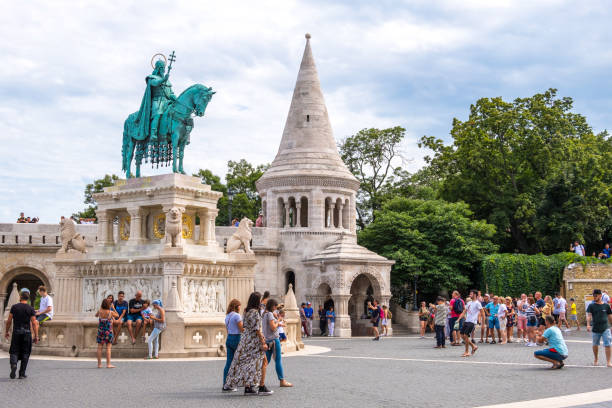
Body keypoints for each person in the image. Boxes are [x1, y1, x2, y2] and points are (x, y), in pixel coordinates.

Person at [225, 291, 272, 396]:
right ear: (256, 301)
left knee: (248, 364)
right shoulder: (254, 312)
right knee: (262, 361)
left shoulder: (246, 311)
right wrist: (263, 341)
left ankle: (249, 387)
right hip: (253, 341)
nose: (261, 302)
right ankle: (261, 386)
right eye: (259, 300)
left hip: (246, 340)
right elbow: (257, 329)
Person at [4, 290, 38, 379]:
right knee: (26, 353)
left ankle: (14, 364)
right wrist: (36, 335)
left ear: (20, 298)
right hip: (27, 333)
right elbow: (34, 323)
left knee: (14, 350)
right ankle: (22, 373)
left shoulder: (14, 307)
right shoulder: (30, 308)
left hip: (16, 332)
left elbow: (9, 321)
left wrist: (7, 331)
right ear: (28, 299)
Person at [262, 299, 292, 388]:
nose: (275, 308)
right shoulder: (270, 314)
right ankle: (282, 380)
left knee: (265, 362)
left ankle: (257, 379)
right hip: (274, 340)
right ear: (273, 306)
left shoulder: (264, 314)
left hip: (267, 340)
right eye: (275, 306)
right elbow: (272, 327)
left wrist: (277, 323)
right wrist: (278, 321)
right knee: (278, 360)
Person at [586, 289, 612, 367]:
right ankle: (596, 359)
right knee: (595, 345)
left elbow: (610, 316)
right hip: (596, 328)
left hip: (605, 328)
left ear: (600, 295)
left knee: (608, 344)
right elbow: (589, 315)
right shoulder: (591, 305)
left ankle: (608, 362)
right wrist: (588, 324)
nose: (594, 297)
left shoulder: (606, 306)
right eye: (593, 296)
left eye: (596, 295)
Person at [223, 299, 244, 391]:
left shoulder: (227, 316)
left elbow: (227, 330)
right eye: (239, 305)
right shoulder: (237, 316)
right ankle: (238, 382)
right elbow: (242, 329)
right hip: (237, 338)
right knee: (240, 361)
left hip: (229, 338)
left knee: (229, 362)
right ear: (236, 306)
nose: (240, 307)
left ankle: (225, 383)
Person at [95, 298, 118, 368]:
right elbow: (117, 315)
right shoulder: (110, 312)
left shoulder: (100, 311)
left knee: (99, 347)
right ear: (108, 305)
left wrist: (100, 309)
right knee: (108, 348)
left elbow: (96, 315)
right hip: (108, 332)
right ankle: (108, 364)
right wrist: (113, 308)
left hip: (101, 331)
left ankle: (99, 364)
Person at [459, 290, 483, 357]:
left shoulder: (478, 303)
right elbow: (464, 311)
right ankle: (473, 346)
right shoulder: (469, 302)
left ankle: (467, 352)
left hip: (472, 321)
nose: (470, 295)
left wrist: (482, 322)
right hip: (466, 321)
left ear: (475, 295)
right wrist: (458, 319)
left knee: (466, 336)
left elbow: (482, 312)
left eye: (471, 294)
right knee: (462, 335)